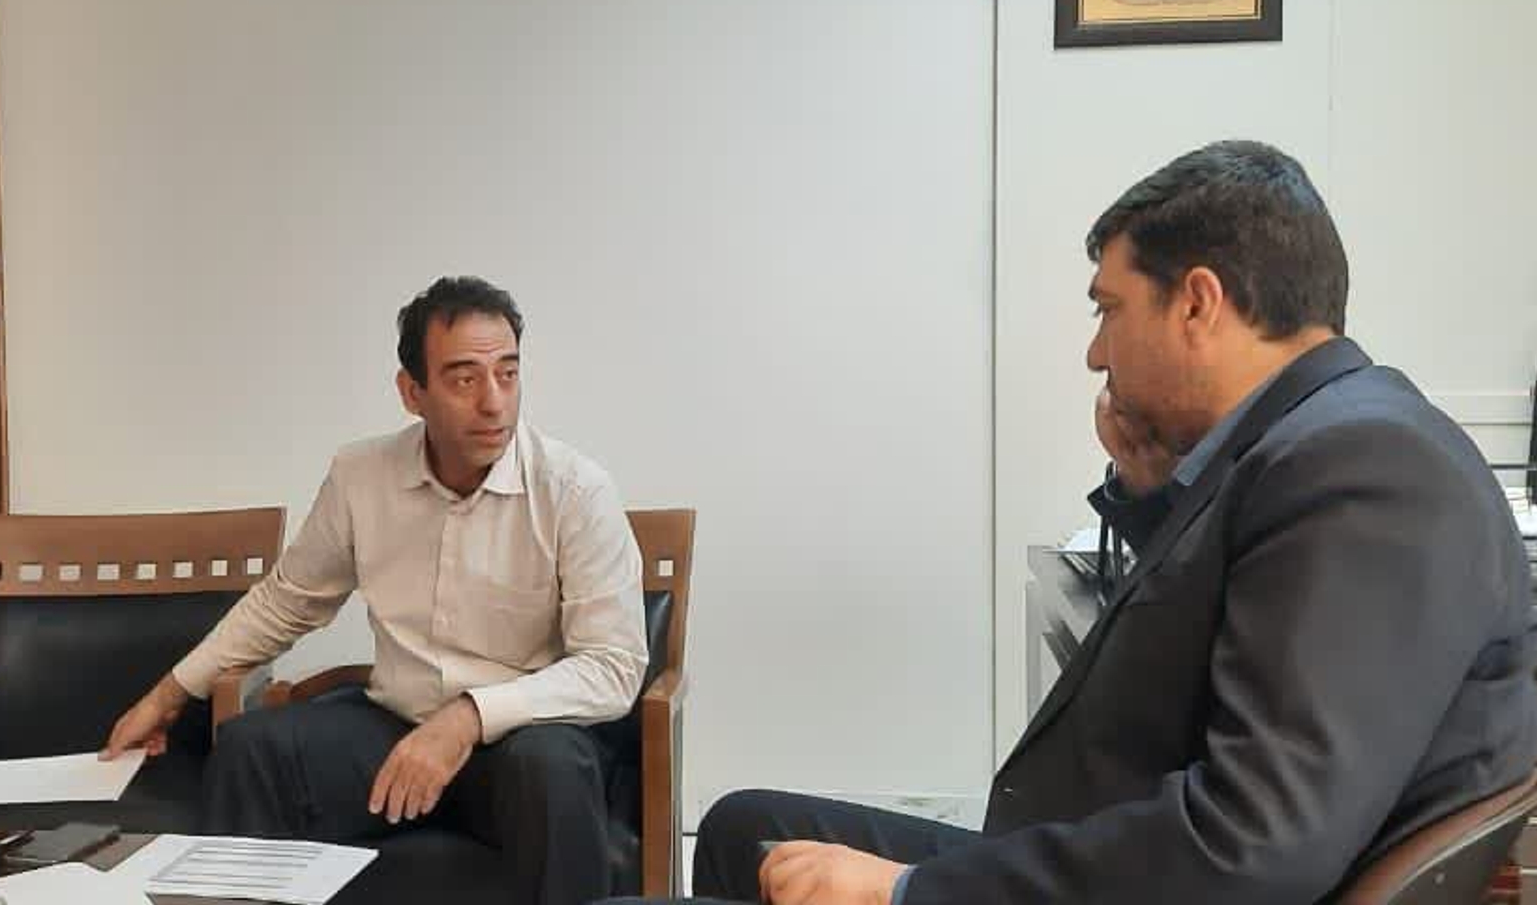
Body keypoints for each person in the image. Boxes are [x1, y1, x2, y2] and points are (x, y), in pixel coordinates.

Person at [619, 140, 1537, 905]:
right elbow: (1223, 608)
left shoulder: (1365, 469)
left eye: (1109, 309)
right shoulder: (1318, 440)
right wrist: (1150, 489)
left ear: (1198, 303)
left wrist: (906, 891)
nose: (1096, 351)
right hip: (1106, 852)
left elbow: (1251, 847)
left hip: (1130, 878)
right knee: (745, 830)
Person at [102, 275, 648, 905]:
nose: (494, 403)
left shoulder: (575, 491)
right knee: (253, 752)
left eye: (508, 373)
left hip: (525, 738)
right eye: (465, 379)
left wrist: (467, 718)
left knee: (550, 770)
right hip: (395, 725)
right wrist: (168, 695)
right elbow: (288, 600)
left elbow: (613, 666)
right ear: (412, 392)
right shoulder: (362, 477)